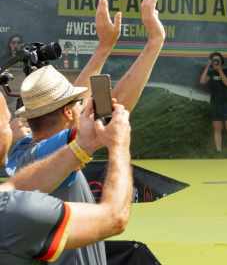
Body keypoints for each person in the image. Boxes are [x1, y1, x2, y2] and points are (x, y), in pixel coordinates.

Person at [6, 0, 163, 265]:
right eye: (76, 105)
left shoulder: (23, 151)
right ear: (68, 113)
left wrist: (104, 48)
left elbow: (75, 108)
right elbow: (113, 109)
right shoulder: (52, 153)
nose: (84, 106)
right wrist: (154, 42)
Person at [1, 95, 133, 265]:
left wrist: (83, 146)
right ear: (67, 112)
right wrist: (119, 146)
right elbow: (114, 218)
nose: (12, 131)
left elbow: (14, 186)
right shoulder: (15, 213)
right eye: (6, 123)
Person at [199, 52, 227, 154]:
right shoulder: (210, 73)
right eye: (214, 60)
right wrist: (208, 66)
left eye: (217, 60)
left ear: (221, 61)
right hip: (215, 104)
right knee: (217, 129)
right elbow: (202, 81)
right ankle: (218, 151)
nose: (216, 61)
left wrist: (219, 69)